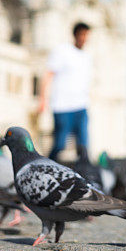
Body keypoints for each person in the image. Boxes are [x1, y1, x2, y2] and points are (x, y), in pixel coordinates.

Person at [40, 22, 92, 161]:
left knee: (84, 145)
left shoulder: (86, 57)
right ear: (75, 35)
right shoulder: (62, 51)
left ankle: (84, 176)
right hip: (62, 106)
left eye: (87, 35)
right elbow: (48, 74)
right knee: (59, 144)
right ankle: (47, 166)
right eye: (82, 35)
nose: (84, 38)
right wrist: (42, 100)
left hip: (81, 106)